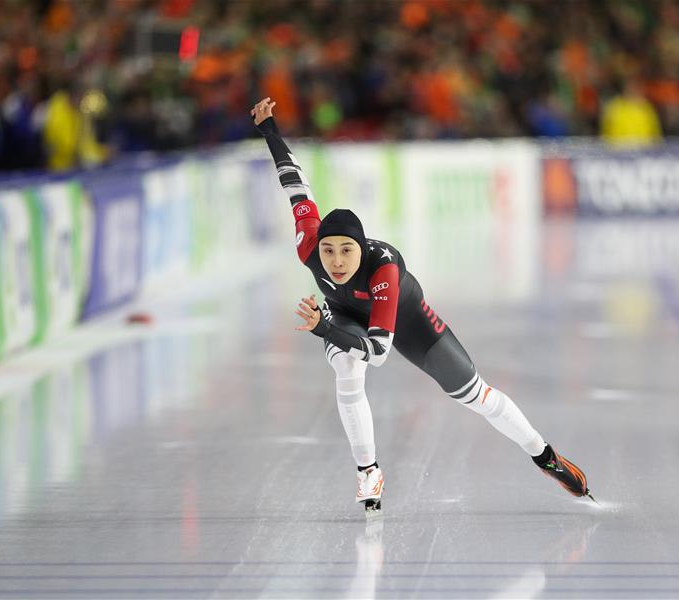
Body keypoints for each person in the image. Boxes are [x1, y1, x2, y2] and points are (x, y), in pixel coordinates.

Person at [251, 97, 595, 515]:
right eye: (328, 252)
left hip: (407, 321)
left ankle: (545, 457)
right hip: (346, 316)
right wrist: (269, 129)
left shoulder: (384, 269)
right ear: (315, 247)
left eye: (346, 251)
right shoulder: (307, 242)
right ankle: (368, 471)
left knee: (477, 396)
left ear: (361, 249)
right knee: (345, 366)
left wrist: (323, 328)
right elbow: (294, 182)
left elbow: (379, 354)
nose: (336, 262)